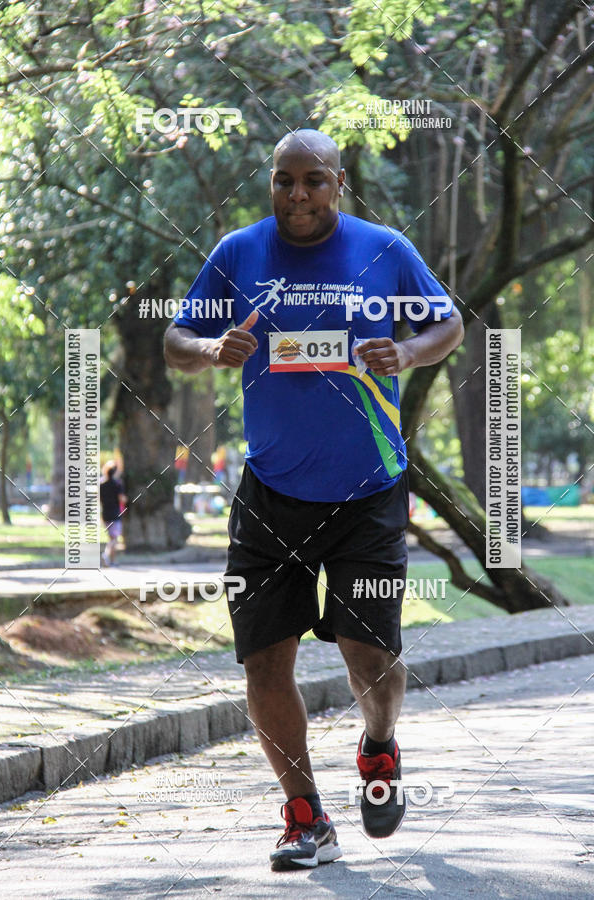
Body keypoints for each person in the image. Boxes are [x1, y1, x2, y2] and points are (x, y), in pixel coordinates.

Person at [164, 129, 464, 871]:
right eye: (283, 181)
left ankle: (380, 744)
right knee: (264, 663)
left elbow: (448, 322)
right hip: (269, 493)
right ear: (271, 181)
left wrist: (410, 351)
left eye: (314, 181)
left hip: (368, 489)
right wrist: (211, 349)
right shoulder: (239, 250)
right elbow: (174, 337)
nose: (297, 196)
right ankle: (305, 817)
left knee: (371, 657)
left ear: (339, 181)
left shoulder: (385, 249)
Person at [99, 460, 127, 566]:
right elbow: (122, 499)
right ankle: (106, 556)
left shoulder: (102, 484)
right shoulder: (117, 484)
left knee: (111, 537)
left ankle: (112, 561)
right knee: (114, 538)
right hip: (115, 513)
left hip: (105, 513)